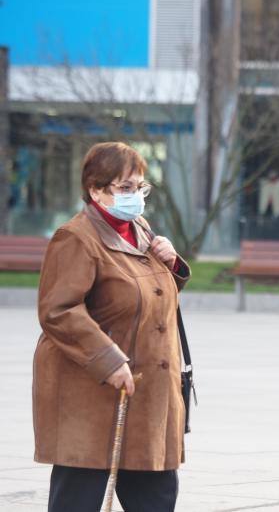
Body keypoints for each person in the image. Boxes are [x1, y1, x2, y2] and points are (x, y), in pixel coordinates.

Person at [34, 142, 191, 512]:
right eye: (125, 188)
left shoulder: (139, 228)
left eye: (140, 187)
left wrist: (171, 265)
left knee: (157, 498)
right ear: (96, 190)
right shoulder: (75, 238)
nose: (135, 196)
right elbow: (58, 311)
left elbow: (144, 297)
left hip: (148, 397)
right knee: (79, 500)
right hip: (93, 396)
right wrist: (109, 359)